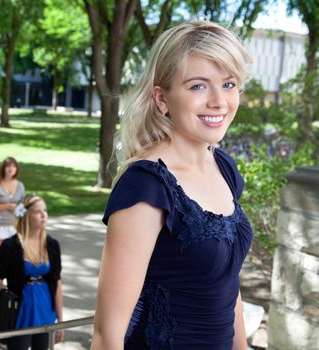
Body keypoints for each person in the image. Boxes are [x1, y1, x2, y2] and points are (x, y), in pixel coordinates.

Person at [90, 21, 253, 349]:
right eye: (198, 86)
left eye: (229, 83)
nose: (219, 101)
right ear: (162, 99)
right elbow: (107, 334)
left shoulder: (225, 168)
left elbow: (226, 284)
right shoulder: (146, 188)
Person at [0, 195, 64, 350]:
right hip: (19, 313)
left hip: (45, 311)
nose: (44, 215)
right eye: (37, 212)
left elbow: (58, 283)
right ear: (26, 216)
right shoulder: (9, 247)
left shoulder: (52, 245)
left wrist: (61, 321)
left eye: (45, 211)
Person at [0, 157, 26, 254]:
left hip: (14, 226)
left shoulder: (20, 185)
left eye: (13, 166)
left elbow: (23, 204)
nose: (11, 169)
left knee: (14, 255)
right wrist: (8, 206)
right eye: (8, 166)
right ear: (3, 168)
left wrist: (21, 217)